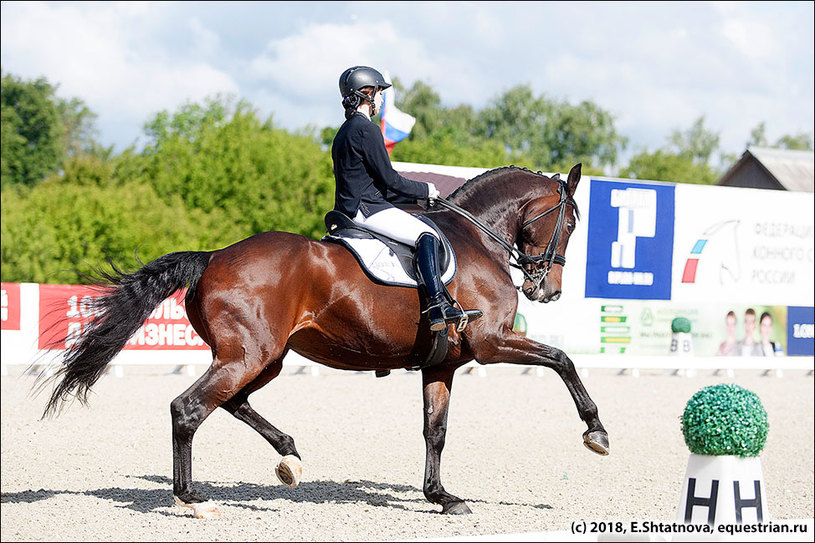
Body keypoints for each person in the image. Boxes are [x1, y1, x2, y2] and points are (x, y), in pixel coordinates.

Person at [331, 66, 478, 332]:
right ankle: (437, 305)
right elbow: (390, 179)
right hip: (367, 210)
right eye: (378, 92)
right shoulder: (367, 130)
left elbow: (371, 182)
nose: (381, 99)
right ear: (367, 94)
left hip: (347, 210)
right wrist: (426, 190)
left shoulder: (342, 132)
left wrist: (414, 202)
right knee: (426, 235)